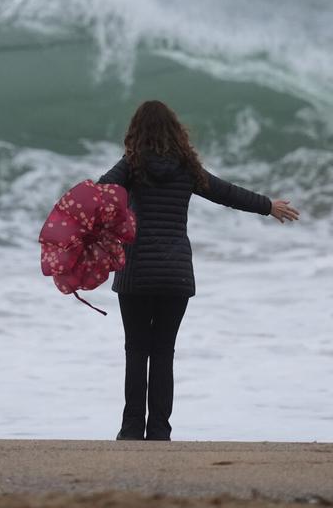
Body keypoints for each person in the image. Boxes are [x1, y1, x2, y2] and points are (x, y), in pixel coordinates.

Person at [97, 99, 300, 441]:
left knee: (137, 351)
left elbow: (102, 190)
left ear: (136, 132)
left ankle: (131, 429)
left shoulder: (132, 166)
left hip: (136, 274)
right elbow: (227, 193)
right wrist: (268, 205)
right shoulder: (186, 168)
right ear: (176, 131)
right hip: (175, 275)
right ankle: (160, 430)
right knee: (163, 353)